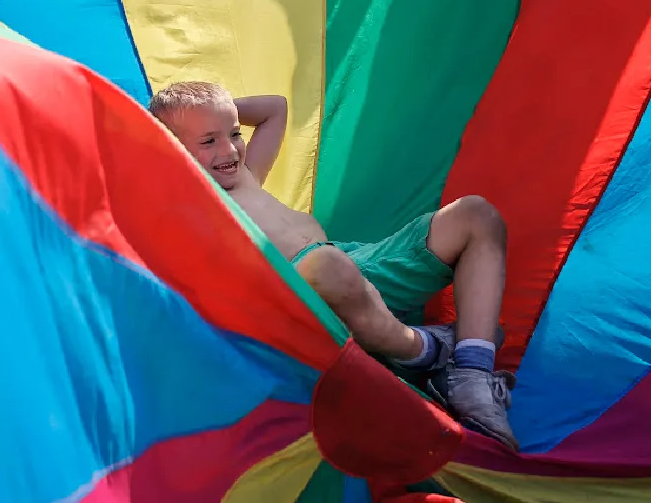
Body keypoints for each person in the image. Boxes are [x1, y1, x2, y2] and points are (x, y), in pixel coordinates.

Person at [149, 81, 518, 451]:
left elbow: (275, 107)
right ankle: (431, 351)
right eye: (209, 141)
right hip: (310, 302)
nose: (230, 149)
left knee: (475, 214)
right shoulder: (196, 204)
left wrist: (215, 113)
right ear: (172, 149)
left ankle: (471, 366)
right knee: (325, 264)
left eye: (233, 134)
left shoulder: (244, 174)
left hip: (356, 263)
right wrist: (158, 133)